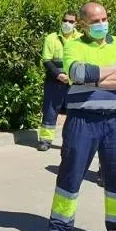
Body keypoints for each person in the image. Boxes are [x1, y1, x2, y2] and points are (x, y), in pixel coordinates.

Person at [46, 2, 116, 231]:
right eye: (95, 21)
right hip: (82, 120)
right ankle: (59, 226)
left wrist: (96, 78)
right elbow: (78, 73)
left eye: (104, 19)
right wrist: (113, 70)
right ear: (83, 24)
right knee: (71, 171)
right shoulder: (73, 46)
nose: (101, 24)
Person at [37, 11, 82, 151]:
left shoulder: (81, 39)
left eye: (70, 21)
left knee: (74, 113)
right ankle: (45, 140)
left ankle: (70, 141)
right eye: (65, 20)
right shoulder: (51, 38)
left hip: (74, 82)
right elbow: (46, 60)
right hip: (54, 81)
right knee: (50, 111)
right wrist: (58, 74)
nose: (67, 23)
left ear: (76, 23)